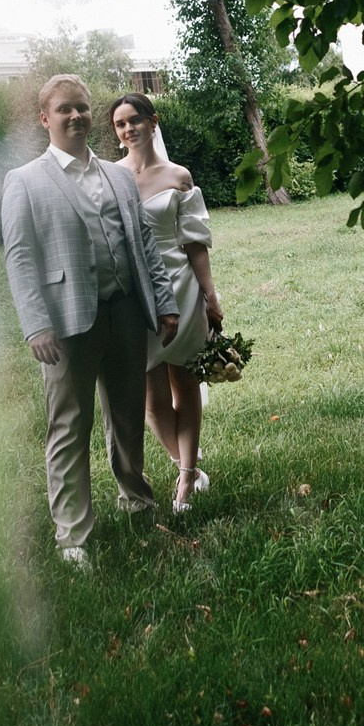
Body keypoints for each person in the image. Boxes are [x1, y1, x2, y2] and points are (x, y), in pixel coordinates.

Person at [1, 75, 179, 571]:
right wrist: (36, 324)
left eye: (82, 108)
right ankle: (73, 535)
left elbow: (145, 246)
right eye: (64, 110)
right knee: (68, 426)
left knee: (126, 417)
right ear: (45, 119)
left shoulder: (119, 177)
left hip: (124, 312)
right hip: (65, 322)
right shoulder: (25, 181)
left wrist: (163, 303)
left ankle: (137, 502)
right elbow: (19, 258)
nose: (76, 116)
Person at [110, 92, 223, 514]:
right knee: (152, 401)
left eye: (134, 119)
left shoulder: (179, 175)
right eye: (120, 124)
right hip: (136, 295)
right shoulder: (110, 177)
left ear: (152, 122)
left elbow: (195, 242)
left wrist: (210, 295)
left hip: (181, 285)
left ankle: (185, 484)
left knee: (185, 384)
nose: (128, 129)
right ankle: (187, 465)